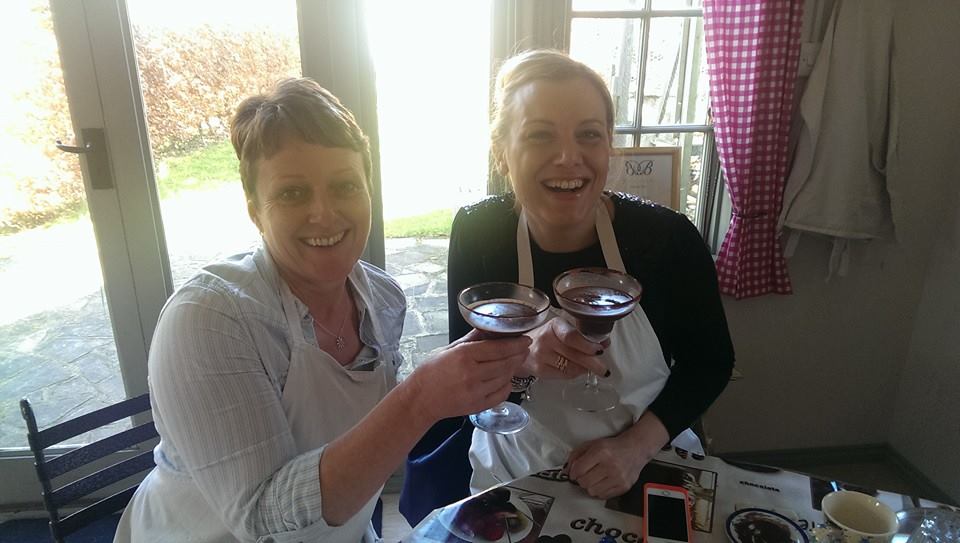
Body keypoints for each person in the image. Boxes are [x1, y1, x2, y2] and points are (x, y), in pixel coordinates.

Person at [114, 78, 530, 543]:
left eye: (345, 185)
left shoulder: (382, 298)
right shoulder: (209, 319)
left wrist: (495, 367)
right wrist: (419, 398)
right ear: (255, 209)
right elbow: (261, 518)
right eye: (293, 193)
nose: (325, 213)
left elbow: (363, 460)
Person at [401, 50, 734, 524]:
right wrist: (520, 358)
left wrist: (635, 447)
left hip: (646, 466)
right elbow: (465, 371)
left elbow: (711, 361)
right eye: (540, 135)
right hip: (516, 476)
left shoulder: (667, 239)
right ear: (501, 150)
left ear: (609, 147)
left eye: (589, 135)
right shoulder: (480, 232)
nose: (568, 158)